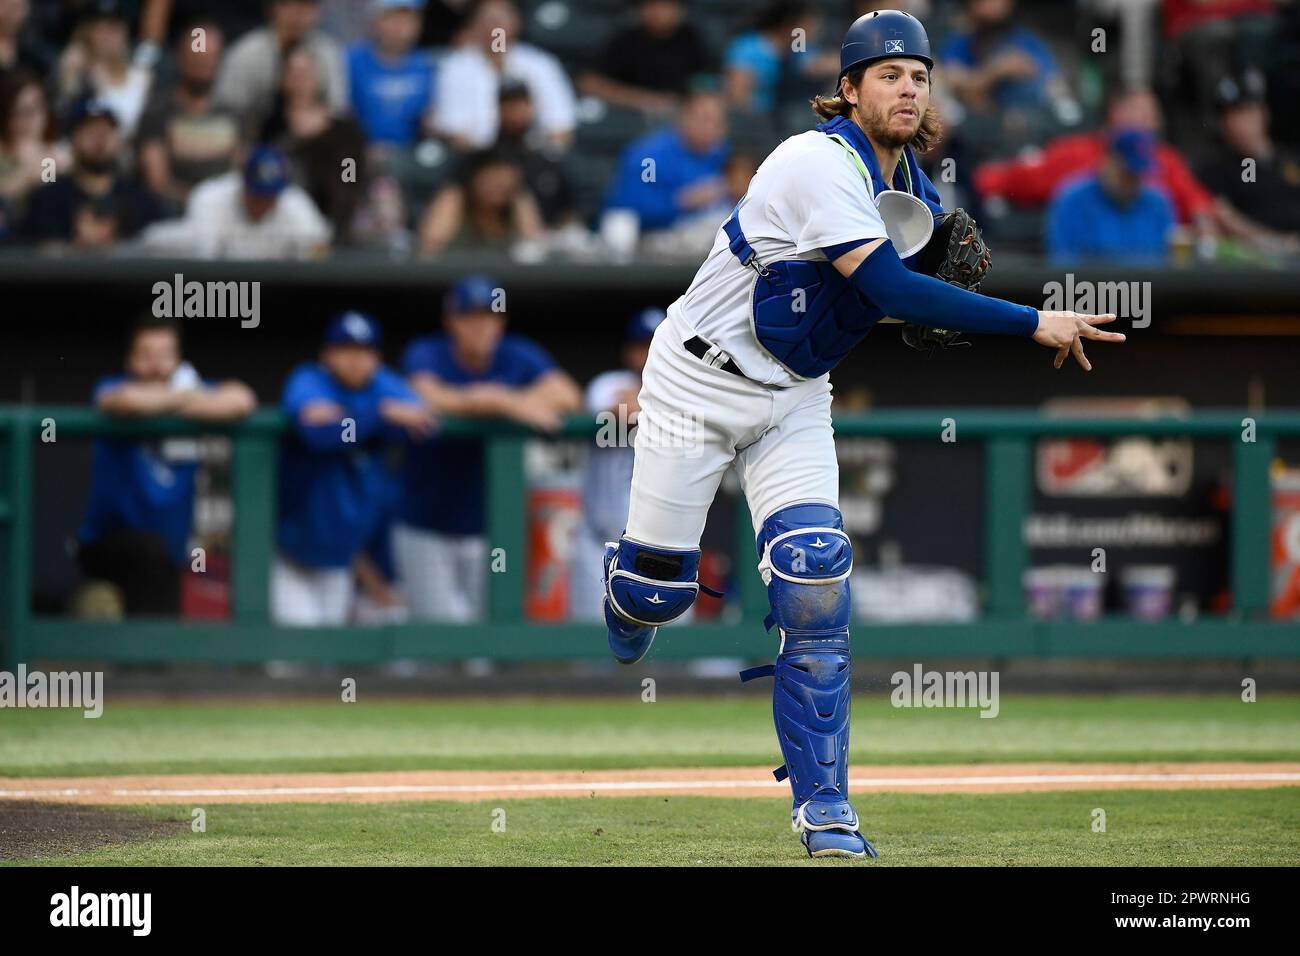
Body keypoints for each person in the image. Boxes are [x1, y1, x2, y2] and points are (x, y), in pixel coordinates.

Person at [599, 9, 1123, 860]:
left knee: (814, 580)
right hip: (697, 379)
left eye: (919, 74)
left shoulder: (916, 194)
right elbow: (894, 291)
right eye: (887, 74)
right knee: (656, 597)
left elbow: (874, 300)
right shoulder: (814, 162)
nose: (908, 86)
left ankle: (826, 811)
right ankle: (630, 586)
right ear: (847, 90)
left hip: (796, 395)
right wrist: (1033, 321)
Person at [395, 274, 580, 622]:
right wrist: (504, 402)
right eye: (470, 317)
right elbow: (426, 395)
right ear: (452, 320)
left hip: (492, 526)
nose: (481, 327)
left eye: (489, 317)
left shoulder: (517, 354)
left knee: (487, 644)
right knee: (437, 640)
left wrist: (499, 399)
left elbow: (568, 395)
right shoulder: (427, 351)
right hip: (426, 523)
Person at [77, 315, 256, 616]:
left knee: (162, 616)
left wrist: (174, 400)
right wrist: (190, 399)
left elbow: (241, 400)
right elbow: (126, 402)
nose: (157, 366)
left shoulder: (188, 392)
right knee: (147, 556)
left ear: (178, 359)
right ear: (130, 360)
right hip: (109, 544)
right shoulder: (114, 386)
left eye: (165, 356)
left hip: (171, 551)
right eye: (146, 356)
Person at [274, 312, 431, 627]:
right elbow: (319, 434)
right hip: (288, 553)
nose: (356, 360)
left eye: (364, 351)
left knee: (327, 659)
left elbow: (422, 422)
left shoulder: (383, 383)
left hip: (340, 559)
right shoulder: (308, 379)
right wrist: (380, 415)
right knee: (296, 657)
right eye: (346, 350)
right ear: (327, 355)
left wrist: (349, 418)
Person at [569, 308, 664, 621]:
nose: (649, 354)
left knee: (668, 650)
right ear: (629, 351)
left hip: (663, 549)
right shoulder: (608, 383)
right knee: (593, 650)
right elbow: (620, 409)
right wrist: (665, 407)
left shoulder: (689, 389)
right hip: (601, 544)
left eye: (657, 344)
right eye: (642, 346)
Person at [430, 0, 576, 151]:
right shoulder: (456, 67)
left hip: (533, 156)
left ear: (516, 21)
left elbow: (561, 127)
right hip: (475, 159)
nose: (495, 27)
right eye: (489, 19)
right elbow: (453, 130)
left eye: (501, 19)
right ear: (473, 24)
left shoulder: (540, 64)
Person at [140, 144, 332, 258]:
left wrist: (313, 252)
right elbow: (200, 261)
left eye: (270, 197)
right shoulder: (212, 199)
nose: (264, 203)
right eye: (258, 195)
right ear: (243, 185)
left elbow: (319, 249)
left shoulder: (294, 205)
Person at [20, 96, 163, 249]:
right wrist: (78, 245)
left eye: (107, 131)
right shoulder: (49, 199)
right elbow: (36, 253)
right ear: (73, 138)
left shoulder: (140, 198)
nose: (100, 140)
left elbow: (159, 247)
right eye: (90, 131)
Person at [260, 43, 367, 244]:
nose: (300, 79)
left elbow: (351, 173)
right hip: (282, 215)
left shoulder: (343, 129)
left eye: (306, 71)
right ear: (281, 79)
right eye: (293, 72)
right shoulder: (270, 126)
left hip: (333, 211)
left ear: (318, 77)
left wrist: (345, 192)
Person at [135, 21, 240, 210]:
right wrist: (200, 203)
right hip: (176, 211)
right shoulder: (158, 112)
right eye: (197, 60)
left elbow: (241, 169)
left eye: (209, 60)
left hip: (226, 211)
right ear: (181, 59)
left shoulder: (232, 112)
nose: (202, 67)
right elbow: (158, 181)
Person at [1196, 68, 1300, 253]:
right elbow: (1223, 218)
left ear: (1263, 113)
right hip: (1257, 263)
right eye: (1231, 115)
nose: (1240, 122)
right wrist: (1281, 244)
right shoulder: (1218, 171)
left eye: (1246, 111)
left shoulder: (1290, 160)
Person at [602, 88, 729, 233]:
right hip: (647, 237)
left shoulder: (721, 153)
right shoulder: (649, 156)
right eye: (705, 120)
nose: (711, 129)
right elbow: (632, 207)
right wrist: (682, 201)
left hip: (701, 235)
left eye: (718, 123)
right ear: (684, 117)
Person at [1045, 127, 1175, 263]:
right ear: (1108, 160)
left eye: (1139, 174)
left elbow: (1168, 264)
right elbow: (1064, 266)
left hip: (1150, 284)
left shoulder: (1158, 203)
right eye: (1127, 173)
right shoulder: (1072, 201)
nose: (1133, 181)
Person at [213, 0, 347, 126]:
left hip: (314, 139)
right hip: (252, 138)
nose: (300, 14)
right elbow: (226, 112)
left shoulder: (328, 52)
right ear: (275, 8)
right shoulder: (246, 54)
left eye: (307, 6)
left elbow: (337, 110)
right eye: (293, 5)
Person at [578, 0, 717, 115]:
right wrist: (643, 100)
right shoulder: (625, 39)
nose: (660, 12)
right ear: (642, 9)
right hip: (631, 115)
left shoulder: (692, 39)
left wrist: (688, 102)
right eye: (654, 5)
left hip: (682, 117)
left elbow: (713, 81)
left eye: (667, 5)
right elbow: (589, 82)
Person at [418, 146, 544, 254]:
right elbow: (431, 245)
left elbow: (534, 245)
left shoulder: (517, 202)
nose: (497, 190)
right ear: (474, 179)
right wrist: (452, 200)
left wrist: (520, 200)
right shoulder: (455, 197)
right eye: (491, 183)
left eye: (505, 187)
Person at [55, 0, 154, 137]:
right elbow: (62, 117)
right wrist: (70, 77)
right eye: (99, 28)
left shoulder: (140, 76)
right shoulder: (77, 71)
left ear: (123, 33)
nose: (106, 36)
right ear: (86, 32)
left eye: (113, 28)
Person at [347, 0, 435, 149]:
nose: (400, 26)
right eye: (391, 18)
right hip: (361, 150)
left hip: (410, 153)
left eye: (408, 19)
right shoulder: (352, 62)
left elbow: (428, 117)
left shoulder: (425, 66)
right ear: (375, 22)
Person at [0, 73, 69, 238]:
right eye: (18, 112)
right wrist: (26, 174)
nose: (28, 120)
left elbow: (48, 187)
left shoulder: (53, 155)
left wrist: (42, 159)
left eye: (35, 109)